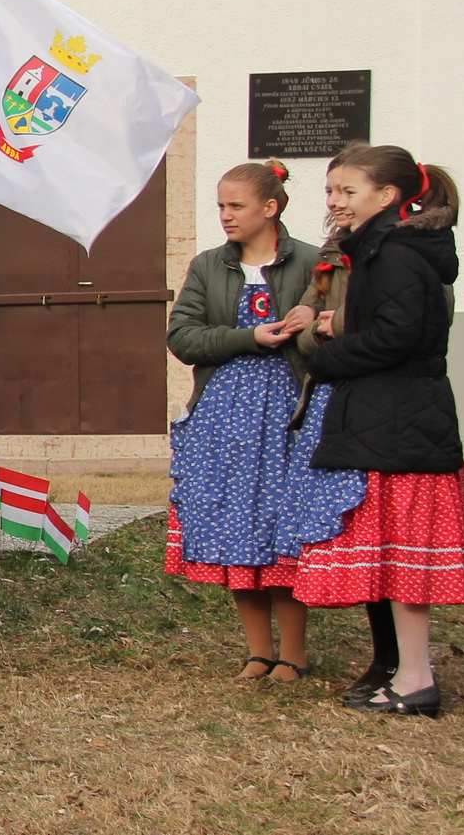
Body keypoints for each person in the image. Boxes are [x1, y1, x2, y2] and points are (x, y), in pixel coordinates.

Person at [165, 161, 352, 682]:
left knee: (280, 529)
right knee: (233, 525)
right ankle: (258, 650)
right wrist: (248, 337)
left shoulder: (313, 262)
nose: (225, 215)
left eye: (236, 205)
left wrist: (302, 331)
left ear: (270, 208)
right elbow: (182, 336)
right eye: (220, 206)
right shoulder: (208, 265)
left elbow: (332, 330)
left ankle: (293, 652)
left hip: (290, 412)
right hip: (223, 415)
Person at [294, 145, 464, 717]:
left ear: (387, 195)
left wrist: (328, 358)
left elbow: (397, 337)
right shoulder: (383, 247)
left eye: (348, 191)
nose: (335, 202)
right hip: (392, 418)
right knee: (395, 556)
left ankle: (415, 680)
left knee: (407, 559)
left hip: (400, 421)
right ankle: (406, 672)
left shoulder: (394, 252)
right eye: (331, 191)